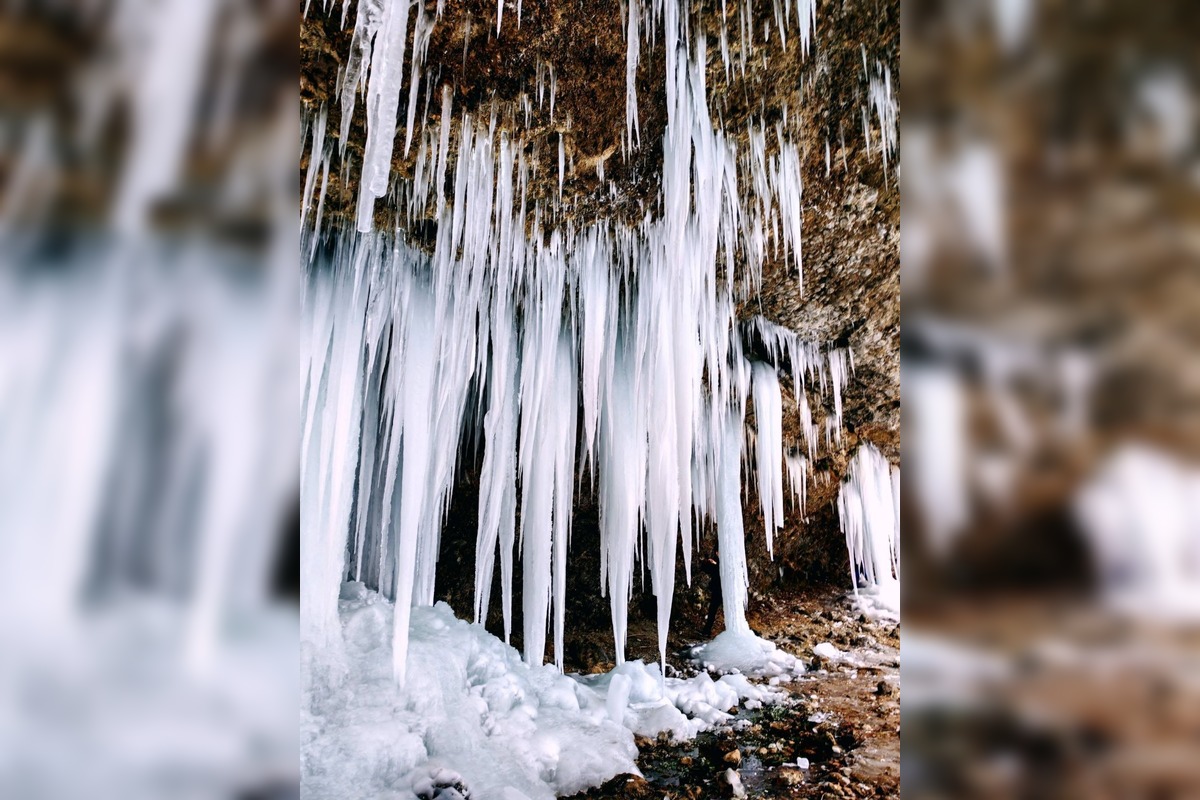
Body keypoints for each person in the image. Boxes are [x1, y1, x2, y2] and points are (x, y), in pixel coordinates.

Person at [701, 548, 722, 637]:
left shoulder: (724, 562)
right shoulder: (714, 561)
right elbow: (706, 569)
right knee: (712, 611)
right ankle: (707, 630)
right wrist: (708, 563)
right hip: (717, 591)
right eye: (717, 552)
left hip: (725, 591)